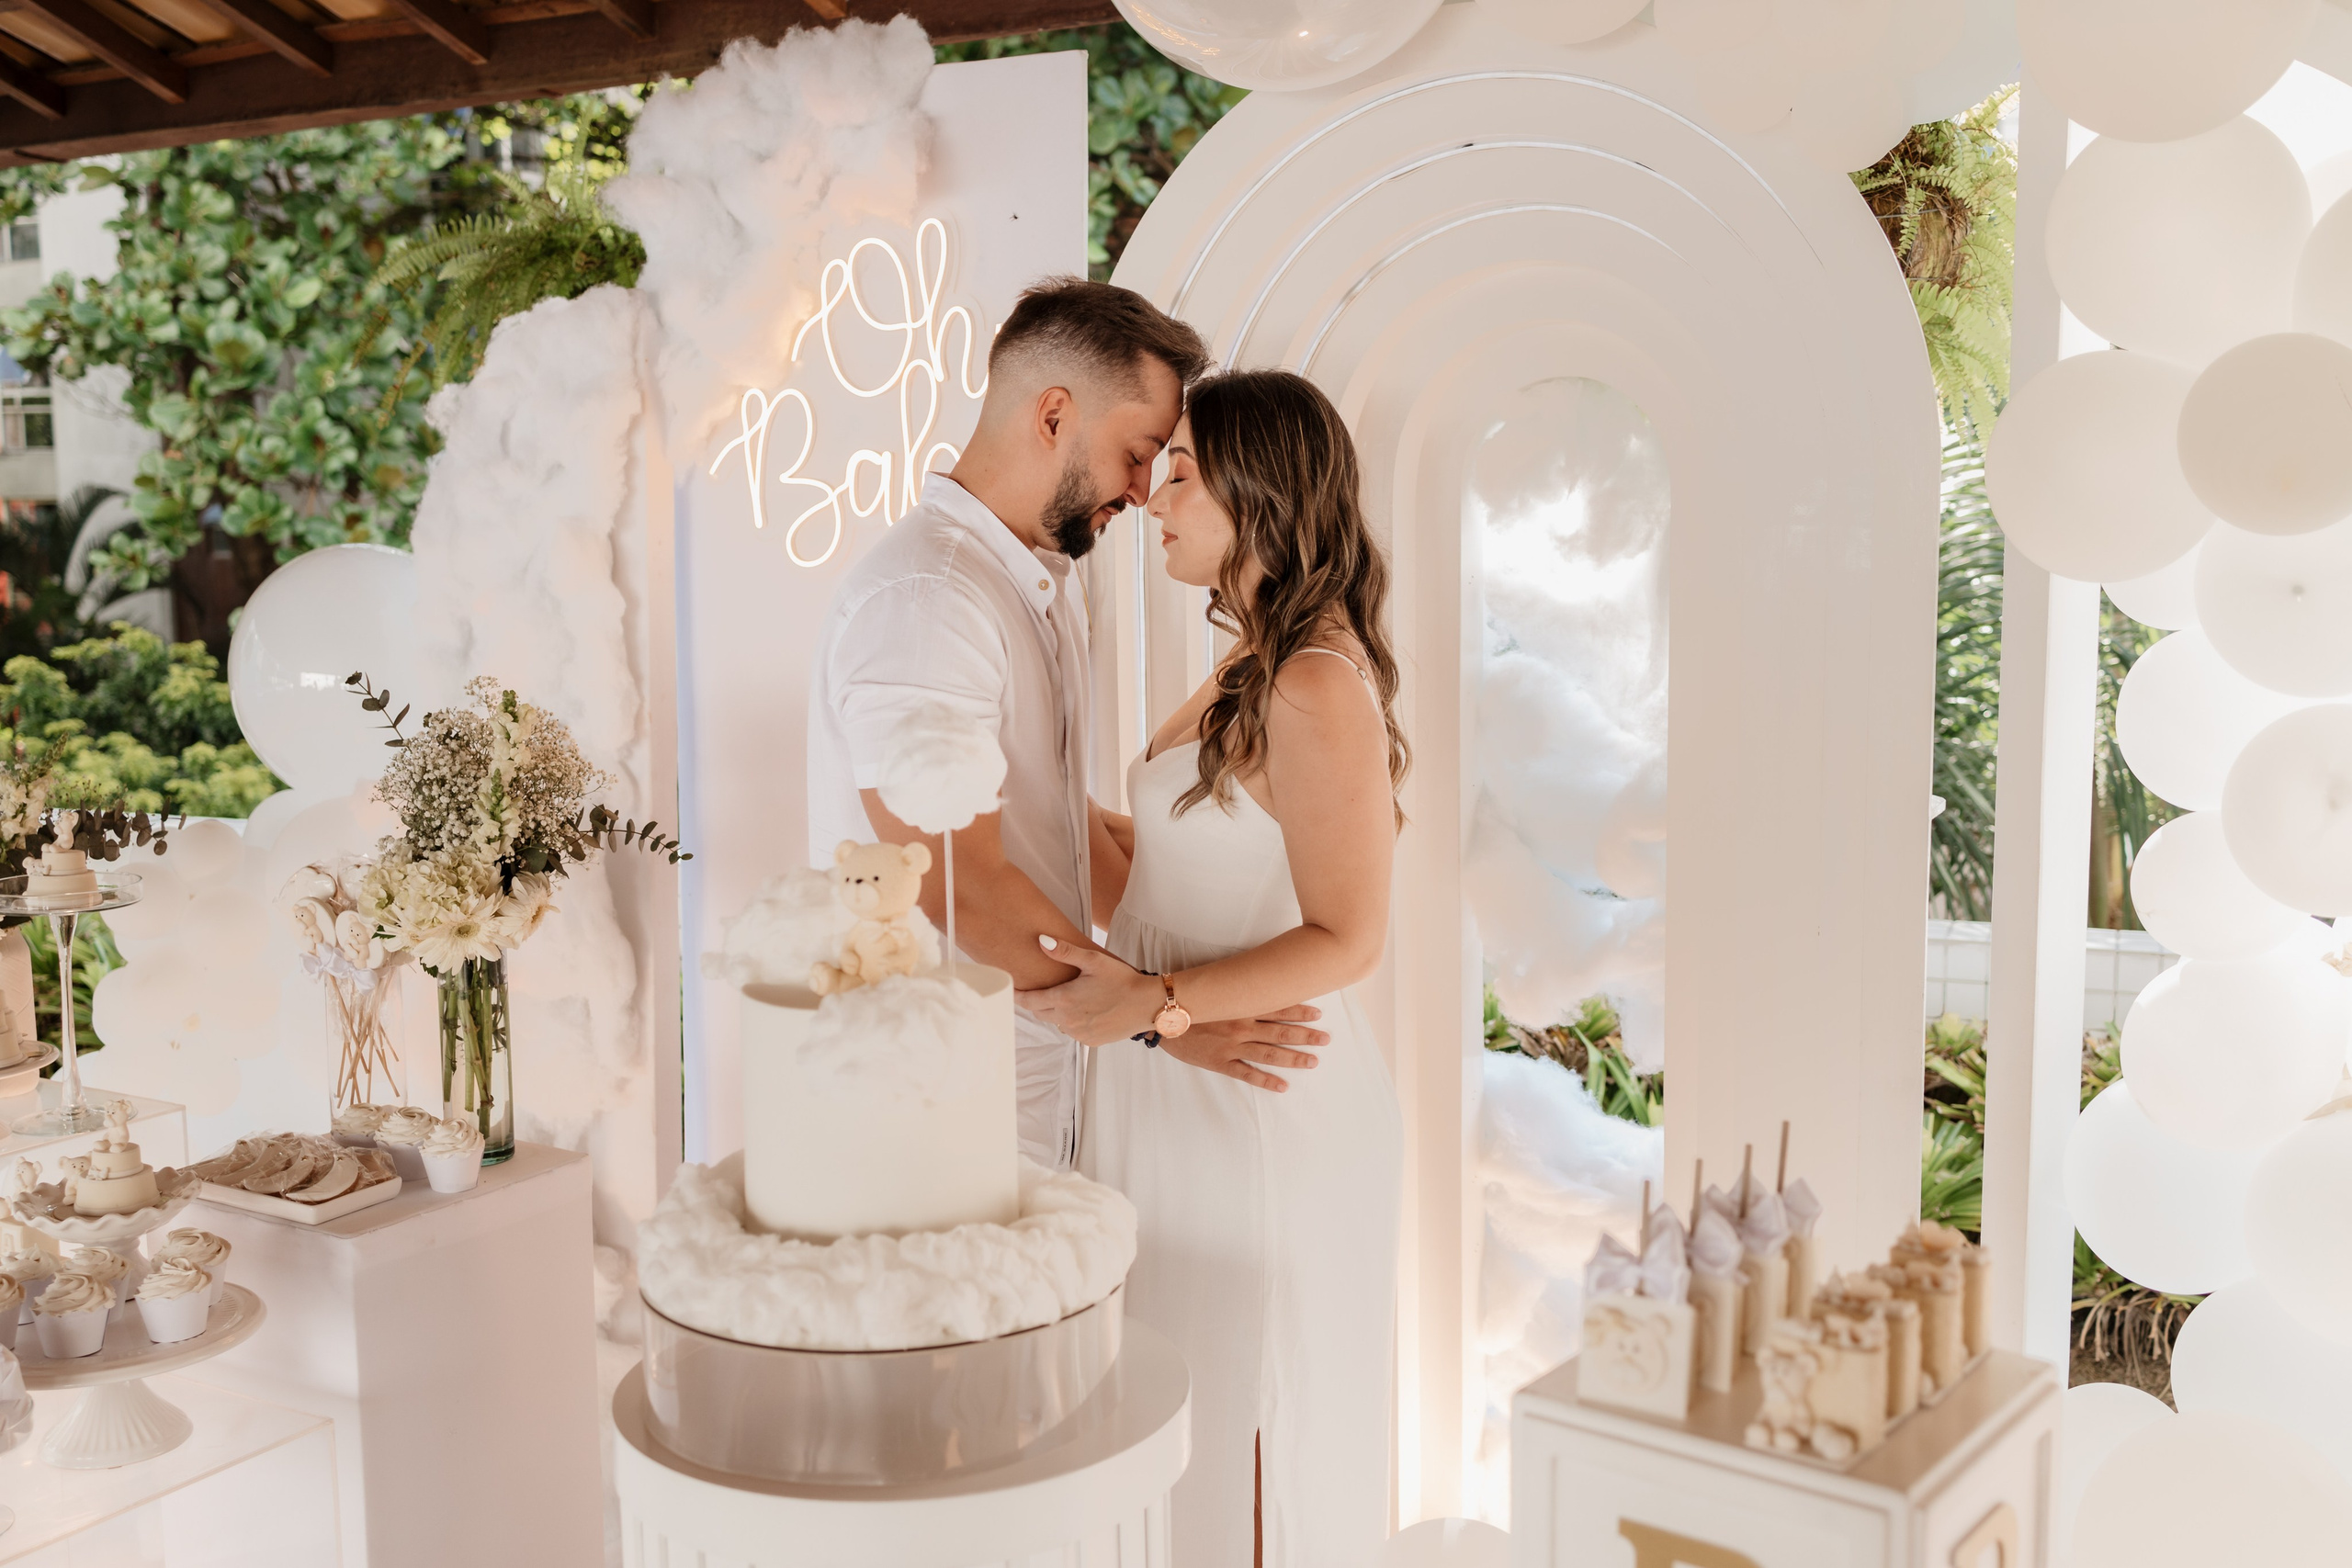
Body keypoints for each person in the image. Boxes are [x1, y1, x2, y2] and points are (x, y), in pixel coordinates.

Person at [808, 277, 1331, 1168]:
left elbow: (1057, 827)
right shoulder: (931, 604)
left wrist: (1181, 988)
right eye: (1138, 453)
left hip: (1043, 1079)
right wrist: (1156, 1020)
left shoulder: (1033, 582)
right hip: (948, 1102)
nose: (1142, 491)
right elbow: (951, 883)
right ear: (1054, 415)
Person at [1023, 369, 1408, 1567]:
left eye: (1183, 470)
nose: (1151, 494)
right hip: (1178, 1076)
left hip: (1257, 1110)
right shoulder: (1250, 659)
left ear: (1264, 486)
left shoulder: (1315, 681)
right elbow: (1158, 865)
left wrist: (1160, 1003)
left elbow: (1350, 933)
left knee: (1247, 1417)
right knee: (1174, 1409)